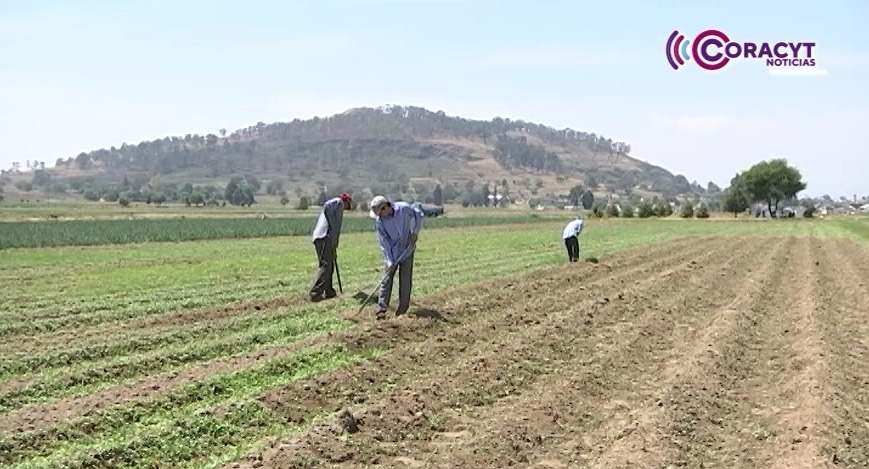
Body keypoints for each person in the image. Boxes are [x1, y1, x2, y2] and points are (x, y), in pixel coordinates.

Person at [368, 195, 424, 318]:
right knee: (386, 279)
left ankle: (402, 310)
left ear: (385, 207)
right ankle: (382, 308)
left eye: (380, 213)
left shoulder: (404, 208)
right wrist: (389, 260)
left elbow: (418, 214)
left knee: (405, 281)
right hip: (392, 252)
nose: (379, 216)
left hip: (407, 249)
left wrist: (415, 232)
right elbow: (384, 242)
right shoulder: (380, 222)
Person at [308, 192, 353, 302]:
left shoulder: (339, 208)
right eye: (349, 203)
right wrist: (331, 228)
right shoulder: (339, 202)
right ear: (346, 201)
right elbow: (327, 205)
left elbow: (336, 230)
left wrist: (334, 245)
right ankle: (315, 292)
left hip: (324, 238)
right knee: (326, 266)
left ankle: (329, 291)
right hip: (324, 237)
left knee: (329, 265)